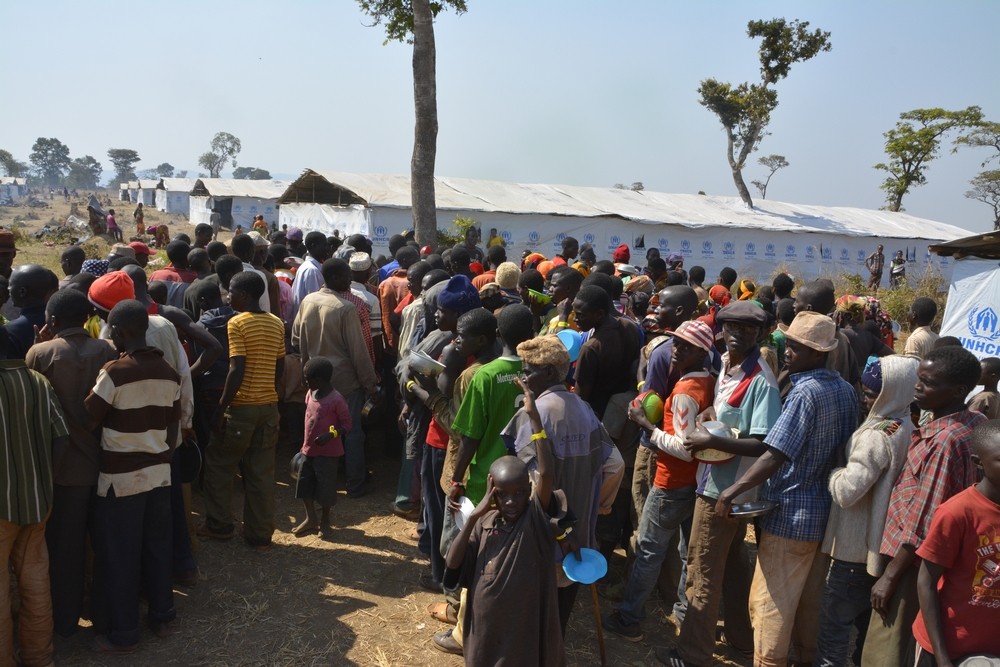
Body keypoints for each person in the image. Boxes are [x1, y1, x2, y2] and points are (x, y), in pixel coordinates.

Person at [716, 311, 858, 667]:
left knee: (769, 605)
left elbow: (774, 454)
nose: (788, 352)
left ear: (819, 354)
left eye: (798, 348)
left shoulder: (804, 393)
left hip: (791, 514)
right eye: (789, 345)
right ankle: (805, 658)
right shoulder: (845, 389)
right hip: (823, 513)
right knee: (807, 601)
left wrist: (732, 491)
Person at [664, 301, 781, 667]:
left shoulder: (760, 380)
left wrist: (712, 441)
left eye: (746, 329)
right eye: (730, 327)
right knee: (730, 567)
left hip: (725, 490)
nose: (736, 334)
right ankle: (741, 640)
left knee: (701, 573)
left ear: (761, 334)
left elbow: (764, 443)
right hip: (717, 481)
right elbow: (734, 419)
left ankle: (692, 654)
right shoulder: (729, 366)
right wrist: (714, 415)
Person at [862, 346, 986, 667]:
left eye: (928, 383)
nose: (918, 388)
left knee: (886, 651)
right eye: (918, 379)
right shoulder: (973, 422)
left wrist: (889, 577)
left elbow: (922, 524)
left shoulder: (945, 441)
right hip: (937, 564)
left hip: (912, 565)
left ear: (958, 391)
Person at [603, 319, 716, 643]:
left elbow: (683, 448)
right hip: (694, 484)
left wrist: (646, 426)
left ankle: (629, 618)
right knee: (684, 552)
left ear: (701, 352)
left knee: (648, 553)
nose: (676, 349)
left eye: (685, 346)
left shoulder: (683, 392)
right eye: (676, 343)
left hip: (670, 483)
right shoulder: (707, 381)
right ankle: (682, 614)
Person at [442, 381, 568, 667]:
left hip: (522, 627)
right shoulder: (483, 523)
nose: (512, 502)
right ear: (492, 491)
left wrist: (534, 418)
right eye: (503, 495)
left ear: (529, 490)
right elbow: (452, 564)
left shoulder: (534, 519)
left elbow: (546, 474)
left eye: (520, 494)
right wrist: (474, 516)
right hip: (486, 627)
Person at [84, 299, 181, 653]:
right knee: (157, 547)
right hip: (158, 474)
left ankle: (122, 633)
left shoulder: (115, 372)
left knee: (120, 555)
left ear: (121, 333)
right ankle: (162, 616)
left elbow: (90, 416)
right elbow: (172, 425)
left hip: (120, 479)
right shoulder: (169, 371)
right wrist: (161, 456)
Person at [814, 355, 920, 667]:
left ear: (892, 393)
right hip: (877, 549)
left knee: (834, 630)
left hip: (853, 550)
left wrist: (834, 474)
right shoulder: (904, 423)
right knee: (861, 628)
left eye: (872, 393)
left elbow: (848, 492)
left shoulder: (877, 435)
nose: (865, 398)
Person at [25, 289, 118, 638]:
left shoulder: (40, 354)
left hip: (63, 473)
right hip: (107, 465)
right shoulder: (107, 349)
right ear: (87, 319)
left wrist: (36, 345)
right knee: (105, 546)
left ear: (51, 321)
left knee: (65, 552)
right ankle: (104, 616)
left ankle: (64, 622)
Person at [200, 272, 285, 550]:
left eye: (231, 292)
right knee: (260, 473)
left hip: (240, 409)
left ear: (245, 295)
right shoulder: (276, 323)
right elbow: (279, 367)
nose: (228, 297)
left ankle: (219, 525)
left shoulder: (237, 322)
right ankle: (260, 535)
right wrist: (270, 396)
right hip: (267, 408)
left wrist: (220, 409)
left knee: (220, 466)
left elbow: (236, 369)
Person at [0, 328, 69, 667]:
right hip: (39, 502)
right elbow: (61, 437)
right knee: (35, 580)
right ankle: (39, 658)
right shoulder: (37, 382)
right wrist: (47, 483)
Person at [911, 419, 1000, 666]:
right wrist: (941, 657)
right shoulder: (956, 513)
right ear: (978, 463)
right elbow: (926, 582)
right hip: (948, 647)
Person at [292, 259, 380, 498]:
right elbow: (358, 352)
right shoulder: (346, 308)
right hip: (344, 383)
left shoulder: (308, 301)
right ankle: (355, 484)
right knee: (351, 433)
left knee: (314, 431)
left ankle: (318, 483)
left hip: (315, 381)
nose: (349, 281)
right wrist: (370, 385)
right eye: (345, 277)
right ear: (333, 279)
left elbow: (295, 340)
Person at [292, 357, 352, 536]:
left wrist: (331, 434)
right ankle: (311, 518)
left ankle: (325, 519)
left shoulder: (336, 399)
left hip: (328, 453)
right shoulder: (310, 394)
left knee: (325, 487)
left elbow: (347, 425)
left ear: (319, 379)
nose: (305, 381)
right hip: (308, 450)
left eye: (307, 377)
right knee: (304, 484)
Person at [572, 285, 641, 419]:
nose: (575, 319)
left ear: (599, 314)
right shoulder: (630, 327)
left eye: (580, 315)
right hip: (624, 412)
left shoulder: (590, 348)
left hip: (596, 416)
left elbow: (580, 400)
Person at [4, 264, 58, 359]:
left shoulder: (10, 331)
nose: (8, 290)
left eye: (10, 286)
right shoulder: (60, 323)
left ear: (22, 292)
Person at [381, 246, 419, 352]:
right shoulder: (416, 283)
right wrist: (403, 333)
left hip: (389, 343)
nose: (419, 261)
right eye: (416, 258)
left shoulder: (384, 284)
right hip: (410, 344)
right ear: (406, 261)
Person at [230, 233, 271, 313]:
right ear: (251, 252)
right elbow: (264, 306)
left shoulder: (229, 272)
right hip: (254, 322)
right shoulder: (259, 275)